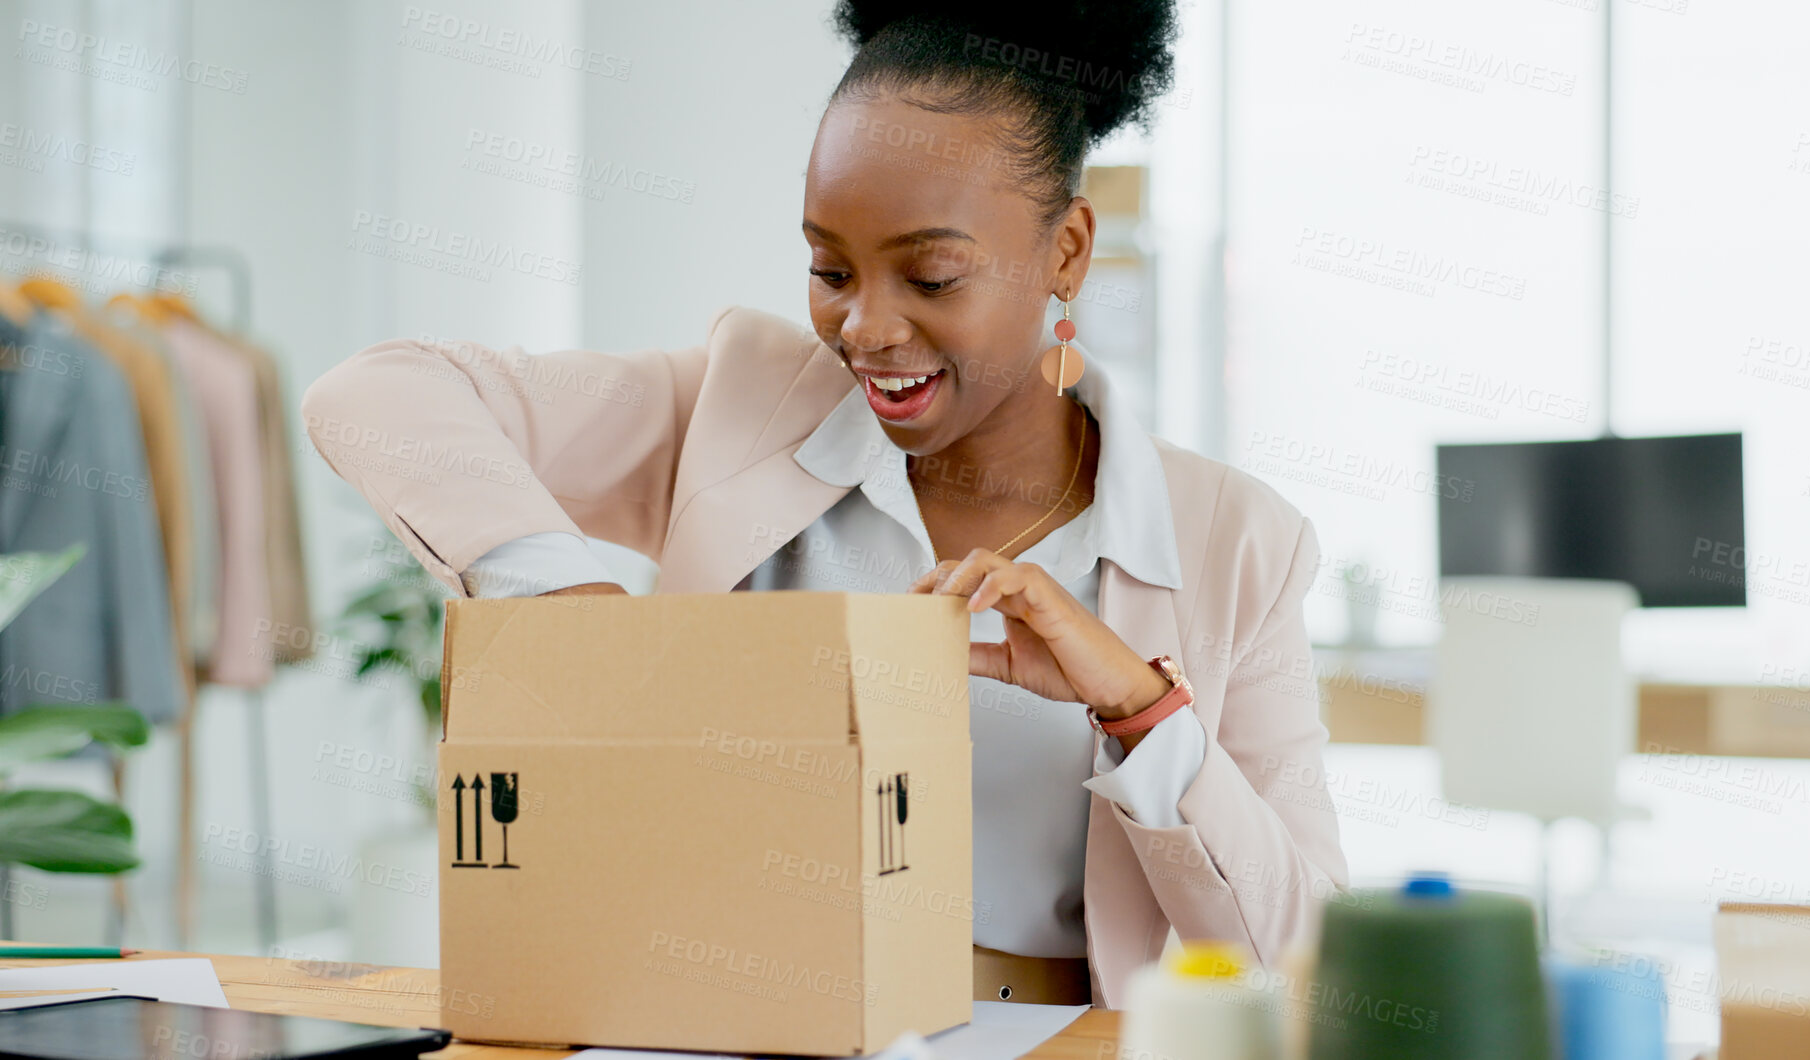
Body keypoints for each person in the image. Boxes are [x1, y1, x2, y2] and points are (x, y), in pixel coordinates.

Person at [302, 0, 1347, 1009]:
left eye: (931, 277)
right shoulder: (734, 409)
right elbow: (377, 393)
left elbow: (1304, 958)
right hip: (726, 1028)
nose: (865, 327)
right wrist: (566, 606)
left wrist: (1142, 712)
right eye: (829, 267)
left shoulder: (1235, 543)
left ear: (1066, 249)